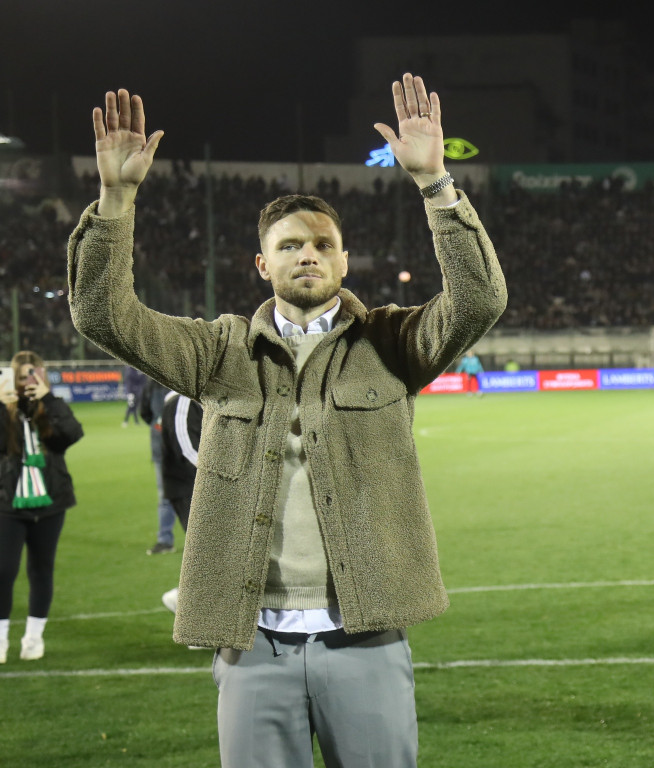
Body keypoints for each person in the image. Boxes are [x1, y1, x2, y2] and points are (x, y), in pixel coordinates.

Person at [68, 73, 506, 766]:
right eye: (290, 245)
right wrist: (116, 200)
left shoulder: (391, 344)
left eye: (323, 244)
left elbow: (479, 300)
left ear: (344, 259)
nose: (308, 254)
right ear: (261, 264)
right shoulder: (218, 353)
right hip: (254, 647)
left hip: (366, 638)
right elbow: (103, 315)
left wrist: (435, 185)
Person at [0, 351, 85, 662]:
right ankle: (1, 638)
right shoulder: (5, 408)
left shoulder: (50, 405)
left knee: (41, 571)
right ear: (13, 378)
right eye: (23, 377)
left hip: (51, 503)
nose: (28, 383)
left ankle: (33, 639)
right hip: (8, 503)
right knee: (3, 571)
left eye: (34, 375)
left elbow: (72, 434)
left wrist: (49, 400)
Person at [158, 390, 201, 615]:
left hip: (200, 486)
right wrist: (222, 475)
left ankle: (185, 604)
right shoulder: (183, 399)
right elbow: (187, 449)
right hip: (189, 487)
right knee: (210, 554)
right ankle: (187, 608)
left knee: (215, 555)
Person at [138, 376, 179, 554]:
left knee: (167, 495)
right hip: (164, 448)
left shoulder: (153, 383)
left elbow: (145, 414)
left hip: (183, 447)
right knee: (166, 494)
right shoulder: (153, 383)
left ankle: (166, 539)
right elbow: (145, 412)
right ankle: (165, 540)